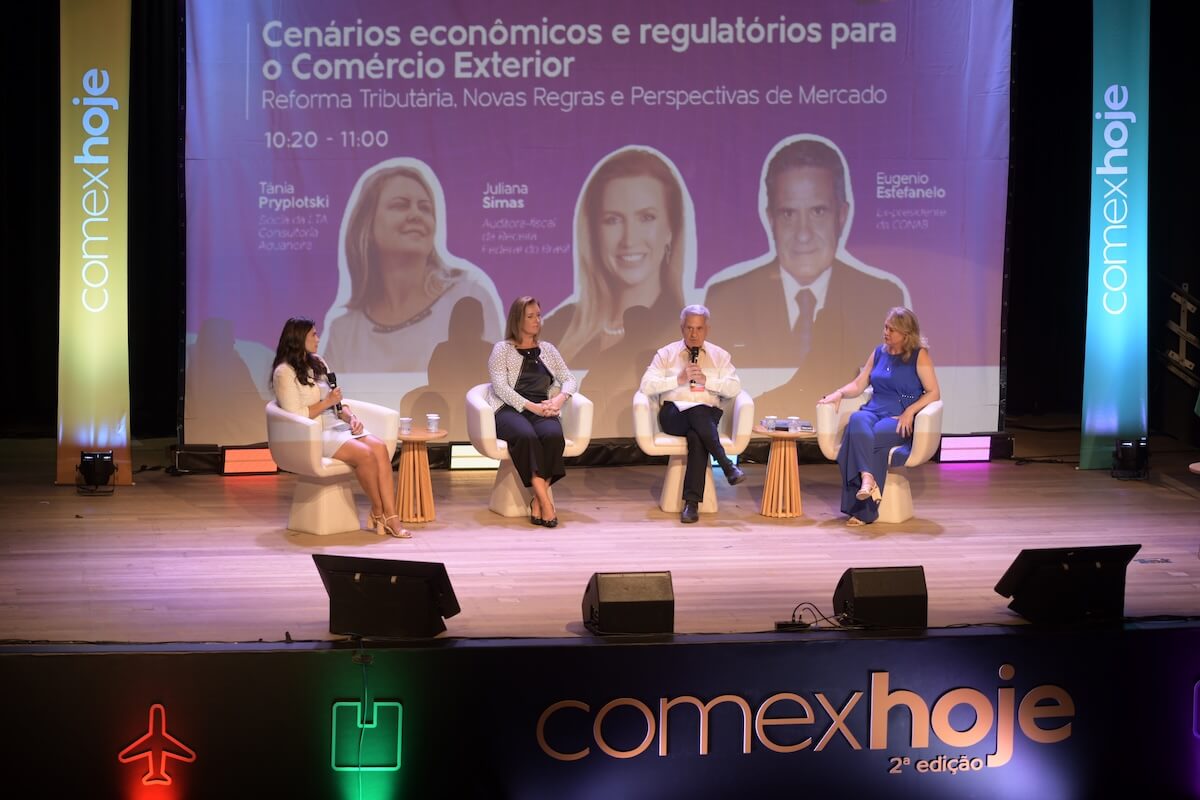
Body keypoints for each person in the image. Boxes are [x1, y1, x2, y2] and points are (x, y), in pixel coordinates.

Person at [703, 135, 910, 414]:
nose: (803, 234)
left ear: (841, 216)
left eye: (818, 212)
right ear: (770, 218)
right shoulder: (727, 298)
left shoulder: (880, 296)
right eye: (788, 214)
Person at [322, 159, 503, 372]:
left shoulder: (468, 296)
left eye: (425, 208)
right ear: (367, 225)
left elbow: (493, 379)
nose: (416, 215)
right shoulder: (344, 332)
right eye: (400, 205)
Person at [542, 146, 694, 366]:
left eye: (646, 217)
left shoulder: (687, 332)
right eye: (612, 220)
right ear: (593, 232)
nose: (629, 240)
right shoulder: (556, 329)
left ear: (671, 229)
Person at [270, 317, 410, 538]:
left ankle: (391, 515)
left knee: (380, 448)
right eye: (313, 335)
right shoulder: (284, 372)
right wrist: (327, 402)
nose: (318, 338)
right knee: (365, 455)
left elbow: (336, 403)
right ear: (298, 338)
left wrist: (351, 417)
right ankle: (379, 510)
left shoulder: (318, 362)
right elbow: (295, 415)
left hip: (336, 424)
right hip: (313, 432)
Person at [817, 307, 941, 526]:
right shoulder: (878, 353)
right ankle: (867, 478)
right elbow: (859, 384)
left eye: (892, 330)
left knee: (868, 438)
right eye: (885, 327)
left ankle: (864, 511)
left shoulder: (919, 355)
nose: (886, 332)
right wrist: (839, 393)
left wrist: (910, 411)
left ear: (906, 334)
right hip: (874, 409)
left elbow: (933, 392)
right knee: (856, 420)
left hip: (898, 417)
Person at [639, 305, 746, 524]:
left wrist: (708, 381)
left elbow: (735, 388)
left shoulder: (720, 356)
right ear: (682, 328)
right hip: (674, 415)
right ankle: (726, 464)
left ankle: (691, 504)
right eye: (689, 328)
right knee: (697, 414)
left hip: (707, 415)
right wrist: (677, 380)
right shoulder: (666, 354)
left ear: (707, 329)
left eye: (699, 328)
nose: (693, 334)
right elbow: (646, 386)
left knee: (697, 434)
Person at [486, 296, 579, 528]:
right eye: (530, 316)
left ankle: (537, 500)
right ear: (517, 320)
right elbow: (501, 388)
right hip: (508, 409)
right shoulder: (502, 349)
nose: (537, 320)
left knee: (553, 436)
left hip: (542, 407)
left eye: (538, 315)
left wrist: (558, 399)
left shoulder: (548, 349)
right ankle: (546, 504)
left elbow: (569, 379)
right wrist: (532, 407)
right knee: (526, 436)